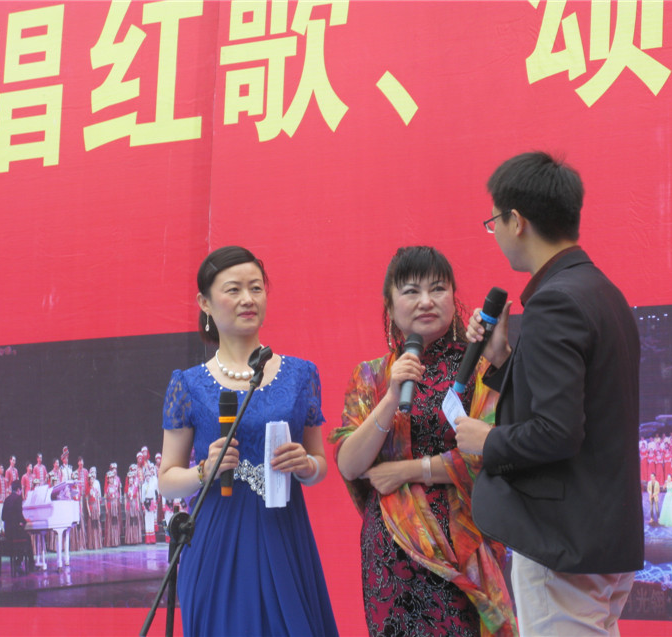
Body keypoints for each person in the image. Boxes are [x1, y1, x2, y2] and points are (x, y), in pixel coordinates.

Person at [455, 152, 643, 636]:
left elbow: (557, 431)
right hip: (601, 535)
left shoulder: (554, 301)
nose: (495, 232)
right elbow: (580, 405)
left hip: (562, 541)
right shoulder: (602, 292)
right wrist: (502, 360)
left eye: (494, 222)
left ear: (516, 221)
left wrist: (486, 440)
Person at [330, 246, 516, 637]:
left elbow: (495, 453)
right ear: (390, 304)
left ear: (454, 297)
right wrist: (390, 397)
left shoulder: (483, 369)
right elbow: (349, 464)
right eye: (411, 291)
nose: (426, 301)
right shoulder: (372, 375)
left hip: (461, 549)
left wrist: (407, 471)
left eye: (438, 289)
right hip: (389, 555)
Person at [158, 246, 337, 637]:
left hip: (284, 533)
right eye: (233, 289)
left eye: (256, 288)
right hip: (216, 540)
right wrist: (204, 470)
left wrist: (306, 466)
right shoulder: (187, 384)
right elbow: (167, 480)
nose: (248, 299)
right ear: (205, 303)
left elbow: (320, 464)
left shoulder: (301, 375)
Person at [1, 480, 35, 573]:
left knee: (23, 538)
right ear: (19, 490)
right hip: (14, 533)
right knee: (27, 539)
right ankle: (30, 564)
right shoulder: (18, 498)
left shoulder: (7, 499)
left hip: (8, 532)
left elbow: (3, 517)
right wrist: (25, 521)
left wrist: (15, 521)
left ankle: (19, 562)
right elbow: (20, 516)